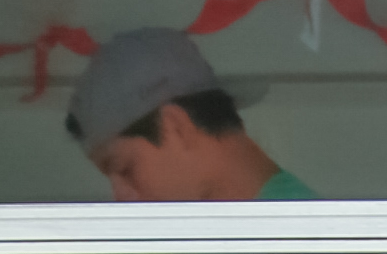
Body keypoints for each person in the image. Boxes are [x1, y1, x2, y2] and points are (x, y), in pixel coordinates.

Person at [68, 27, 319, 202]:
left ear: (176, 127)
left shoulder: (303, 249)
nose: (121, 196)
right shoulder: (292, 228)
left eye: (125, 169)